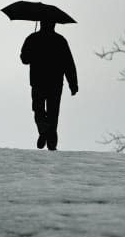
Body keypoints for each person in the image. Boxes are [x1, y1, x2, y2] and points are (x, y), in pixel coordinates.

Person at [20, 20, 78, 151]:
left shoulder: (33, 38)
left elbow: (24, 59)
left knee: (38, 109)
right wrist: (73, 84)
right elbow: (69, 64)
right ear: (54, 24)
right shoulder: (60, 40)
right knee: (53, 113)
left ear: (41, 23)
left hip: (38, 81)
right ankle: (52, 143)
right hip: (55, 83)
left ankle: (43, 130)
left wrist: (32, 49)